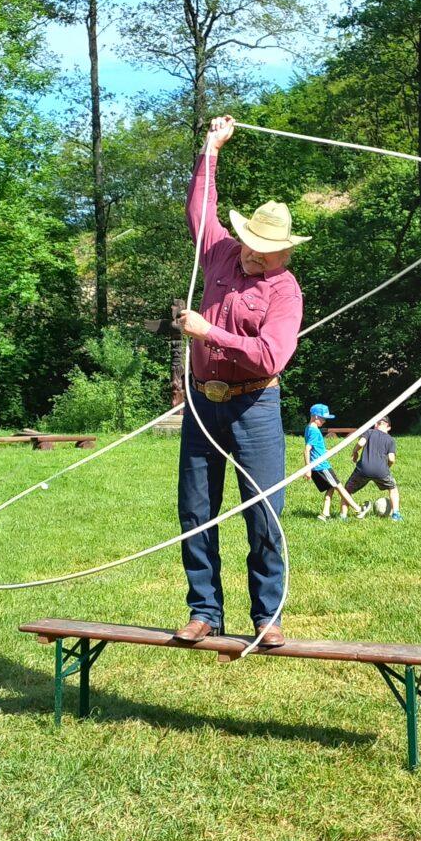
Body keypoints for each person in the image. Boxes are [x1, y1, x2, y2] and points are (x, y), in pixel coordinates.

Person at [172, 115, 308, 647]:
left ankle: (267, 616)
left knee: (264, 511)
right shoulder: (221, 251)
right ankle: (204, 610)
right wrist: (211, 150)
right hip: (204, 403)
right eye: (248, 240)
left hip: (256, 406)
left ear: (285, 252)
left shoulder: (285, 291)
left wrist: (209, 333)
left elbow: (271, 355)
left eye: (262, 248)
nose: (250, 251)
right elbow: (199, 208)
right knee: (195, 510)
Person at [304, 404, 367, 521]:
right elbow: (307, 449)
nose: (324, 421)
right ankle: (358, 509)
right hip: (321, 466)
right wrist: (307, 469)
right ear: (316, 417)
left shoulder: (309, 428)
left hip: (318, 465)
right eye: (323, 418)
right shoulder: (314, 431)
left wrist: (327, 451)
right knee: (339, 487)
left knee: (331, 488)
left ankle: (325, 514)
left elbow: (315, 448)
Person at [347, 415, 402, 520]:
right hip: (381, 471)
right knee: (393, 489)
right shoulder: (390, 440)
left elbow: (360, 443)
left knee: (347, 490)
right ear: (388, 427)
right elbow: (391, 459)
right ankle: (396, 514)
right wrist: (387, 468)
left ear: (375, 425)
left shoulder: (369, 432)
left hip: (363, 469)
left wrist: (354, 452)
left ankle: (343, 516)